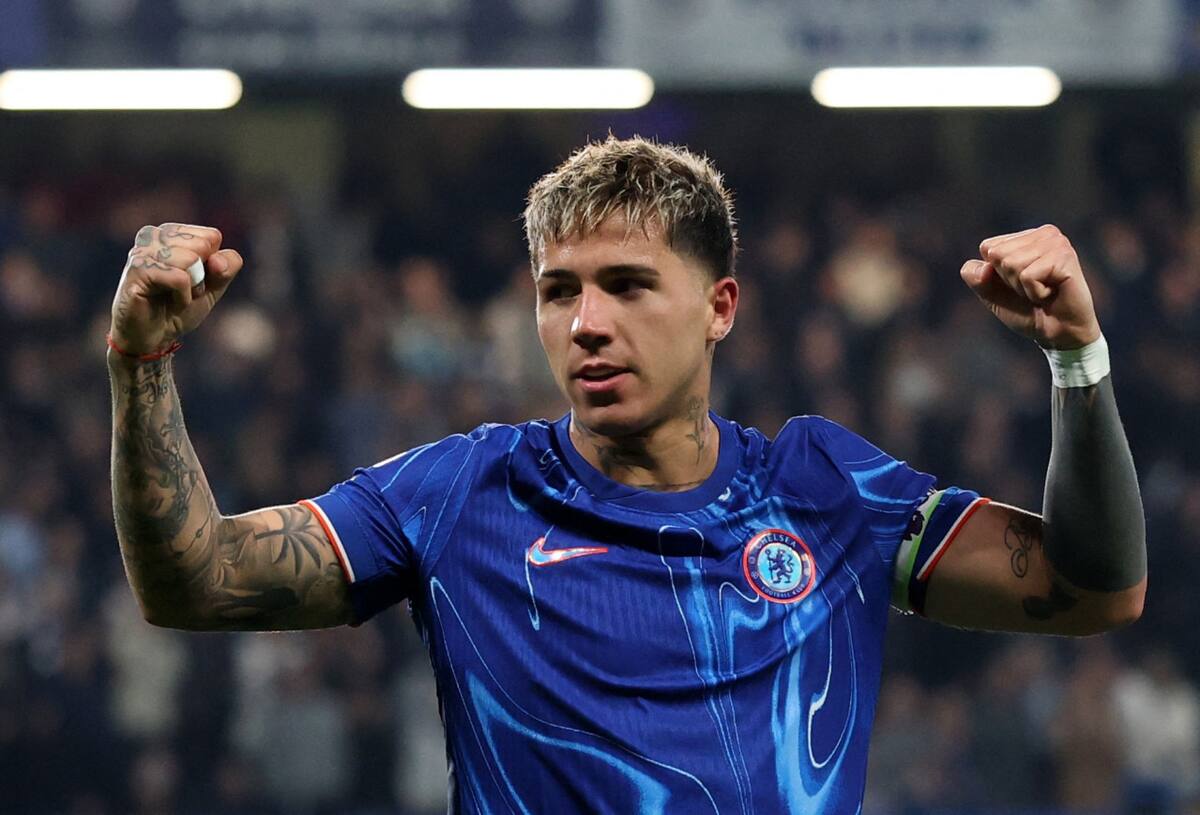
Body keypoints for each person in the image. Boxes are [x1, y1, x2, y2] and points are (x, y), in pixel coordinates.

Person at [107, 136, 1147, 812]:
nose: (587, 324)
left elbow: (1095, 586)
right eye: (559, 291)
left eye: (628, 285)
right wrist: (142, 364)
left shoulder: (827, 487)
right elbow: (193, 579)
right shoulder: (457, 494)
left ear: (720, 306)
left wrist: (1078, 358)